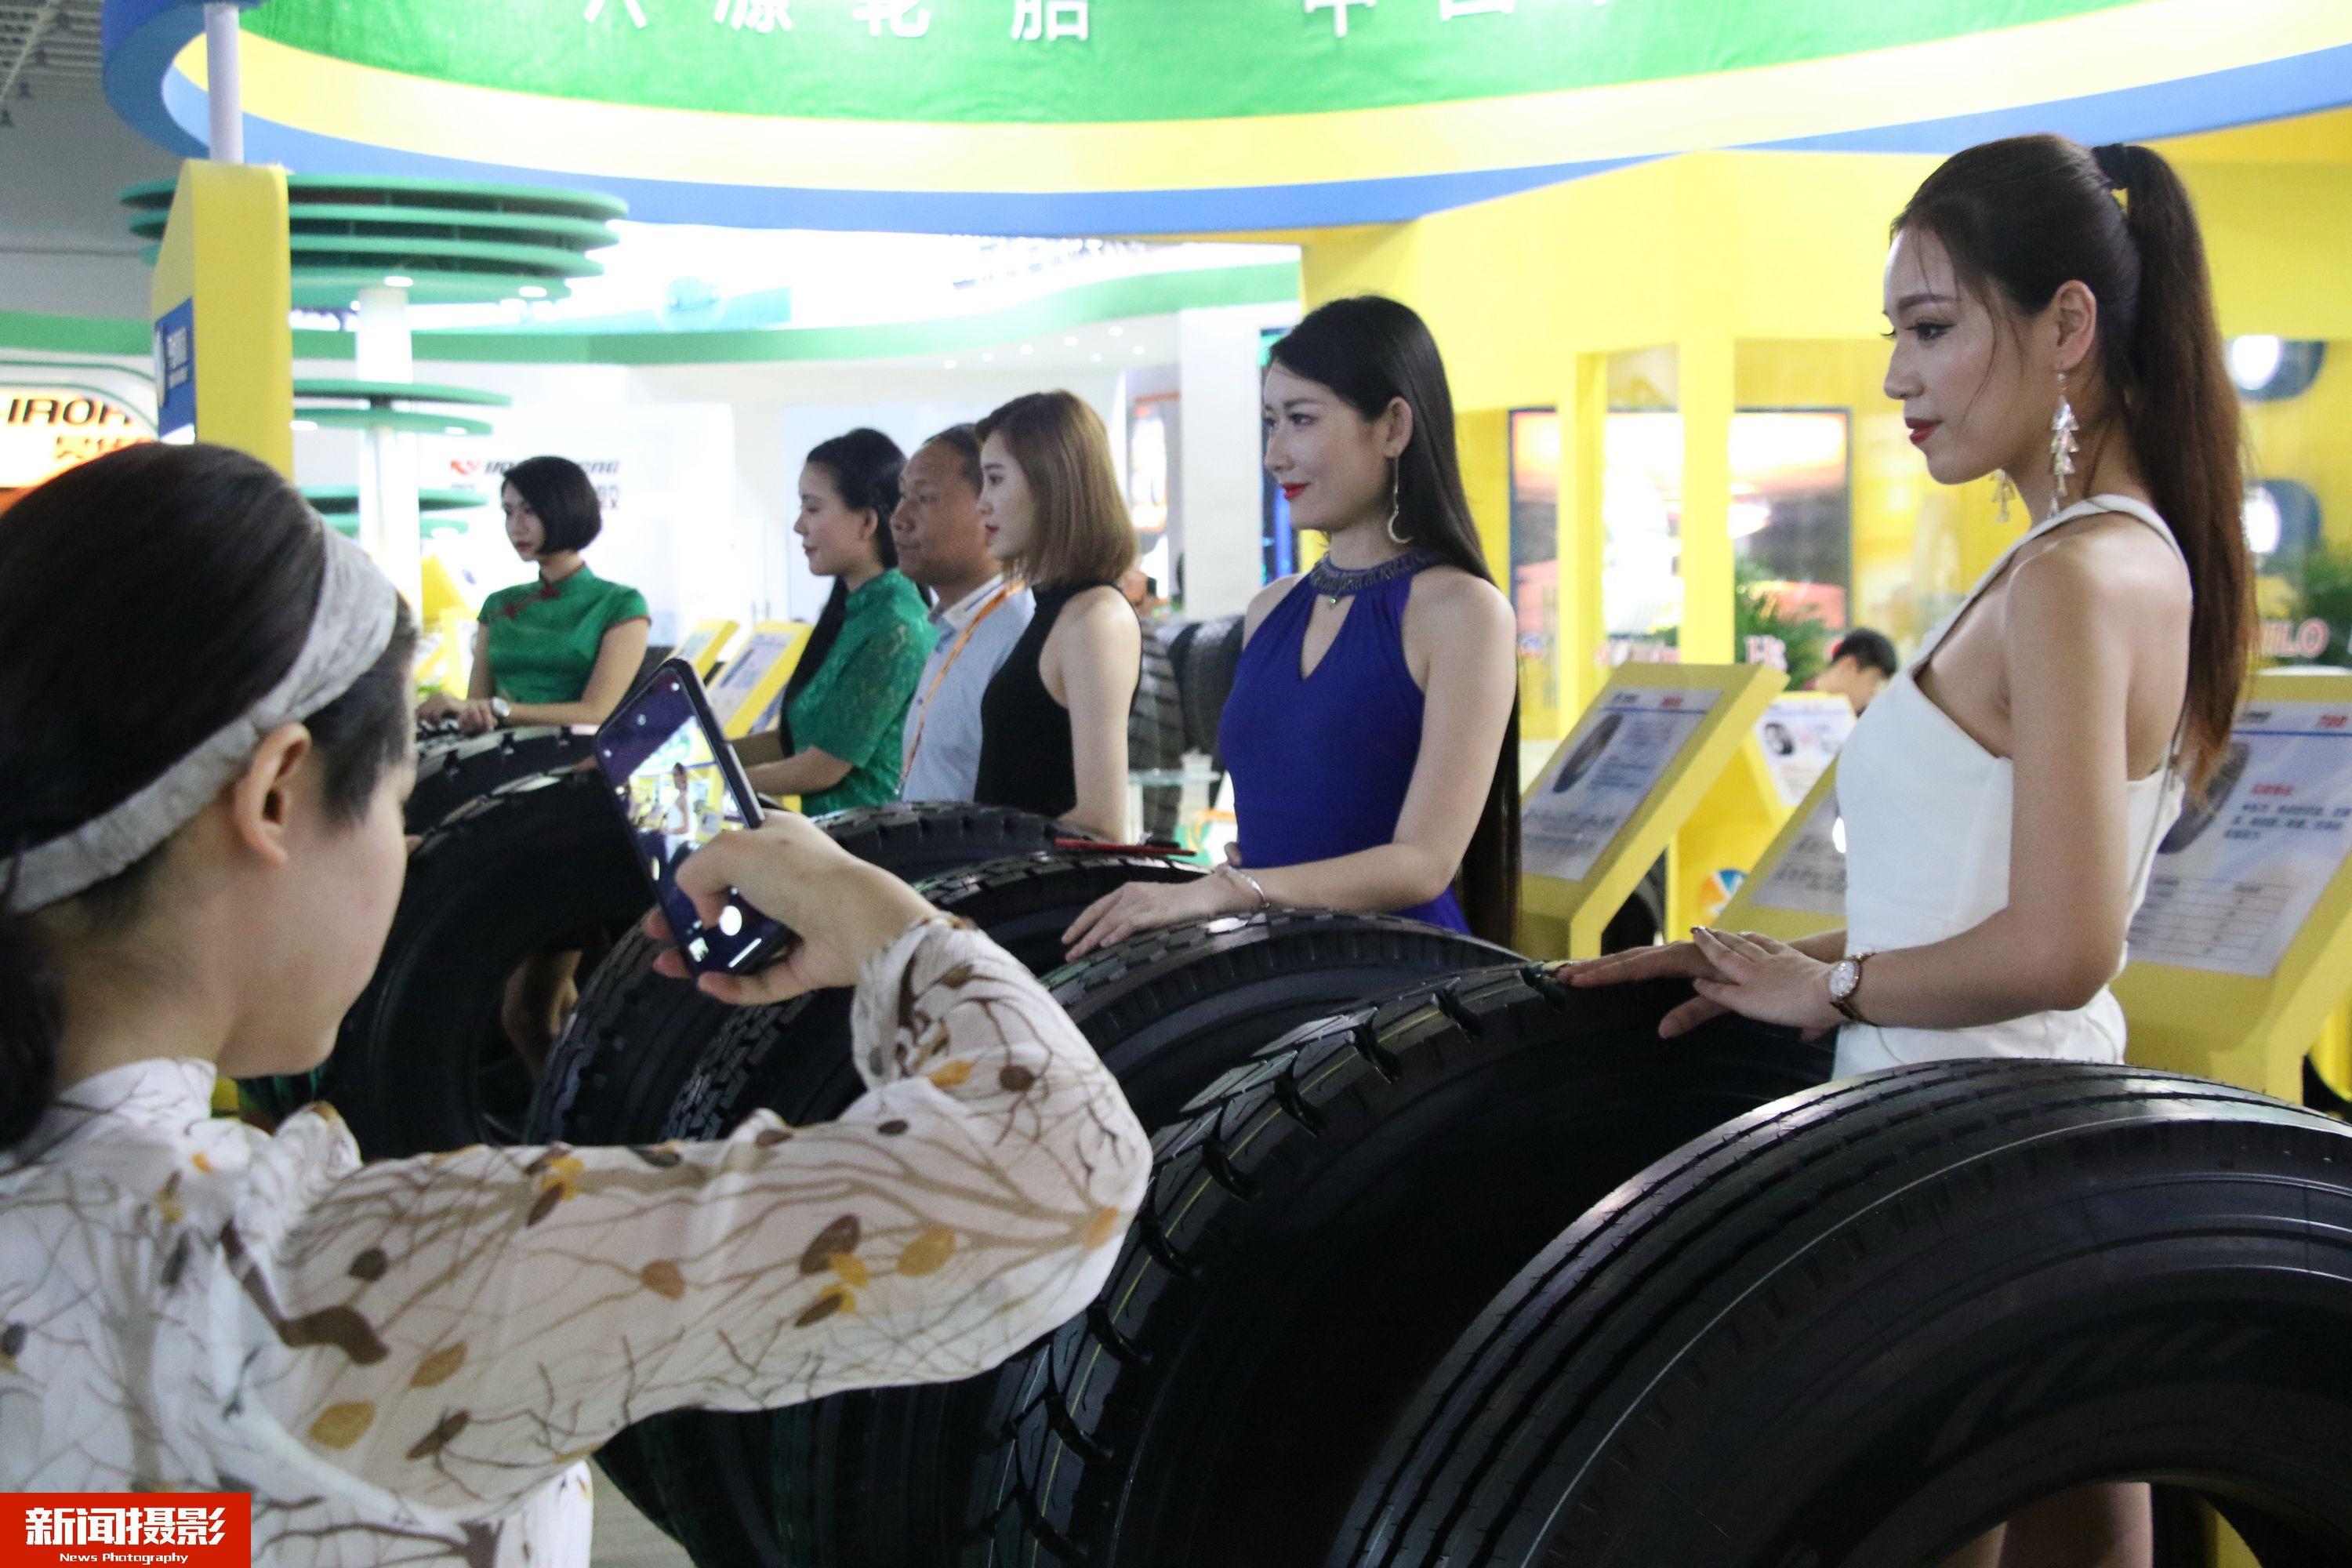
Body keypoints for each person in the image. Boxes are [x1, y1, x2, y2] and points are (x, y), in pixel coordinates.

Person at [0, 442, 1150, 1567]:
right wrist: (864, 906)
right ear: (277, 794)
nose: (404, 853)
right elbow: (1056, 1178)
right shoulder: (343, 1286)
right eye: (395, 806)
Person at [1562, 135, 2253, 1568]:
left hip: (1970, 1158)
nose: (1896, 377)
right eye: (1896, 333)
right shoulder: (2078, 560)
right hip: (1998, 1143)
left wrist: (1839, 988)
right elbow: (1979, 910)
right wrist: (1774, 959)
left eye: (1932, 329)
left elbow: (2063, 946)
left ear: (2068, 326)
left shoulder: (2075, 576)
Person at [1064, 296, 1519, 956]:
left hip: (1402, 984)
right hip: (1277, 968)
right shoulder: (1271, 609)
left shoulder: (1462, 612)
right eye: (1270, 423)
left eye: (1301, 420)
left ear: (1393, 427)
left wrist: (1236, 889)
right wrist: (1249, 884)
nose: (1275, 454)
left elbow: (1424, 863)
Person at [971, 393, 1142, 840]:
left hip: (1049, 902)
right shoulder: (1057, 610)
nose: (981, 504)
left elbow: (1101, 823)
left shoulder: (1096, 619)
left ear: (1052, 483)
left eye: (995, 479)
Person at [741, 429, 933, 814]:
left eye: (812, 508)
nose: (799, 526)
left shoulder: (895, 625)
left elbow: (822, 768)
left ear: (866, 522)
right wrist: (696, 762)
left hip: (869, 846)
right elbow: (794, 741)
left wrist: (710, 781)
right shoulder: (857, 610)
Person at [418, 455, 650, 735]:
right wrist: (468, 712)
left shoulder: (620, 604)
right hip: (497, 757)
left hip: (578, 762)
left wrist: (498, 709)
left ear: (566, 510)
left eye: (529, 511)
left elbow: (596, 712)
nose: (516, 526)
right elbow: (476, 706)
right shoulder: (499, 604)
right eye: (508, 512)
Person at [892, 424, 1036, 804]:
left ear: (987, 509)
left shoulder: (1021, 631)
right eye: (902, 496)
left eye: (923, 499)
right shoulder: (952, 627)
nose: (899, 518)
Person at [1811, 626, 1900, 713]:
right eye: (1874, 680)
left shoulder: (1866, 719)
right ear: (1849, 665)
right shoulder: (1799, 709)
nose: (1873, 693)